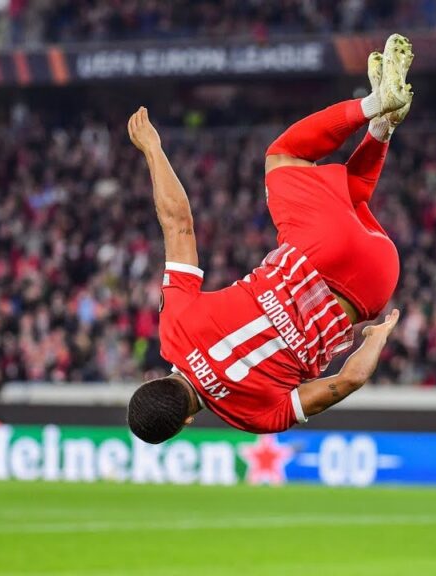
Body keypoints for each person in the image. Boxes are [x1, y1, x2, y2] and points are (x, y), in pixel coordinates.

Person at [125, 34, 415, 443]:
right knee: (284, 155)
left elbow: (350, 379)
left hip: (377, 280)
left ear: (185, 423)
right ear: (152, 379)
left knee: (349, 195)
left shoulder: (254, 418)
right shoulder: (173, 329)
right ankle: (373, 107)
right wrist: (153, 149)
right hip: (320, 250)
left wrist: (378, 336)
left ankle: (382, 127)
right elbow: (179, 225)